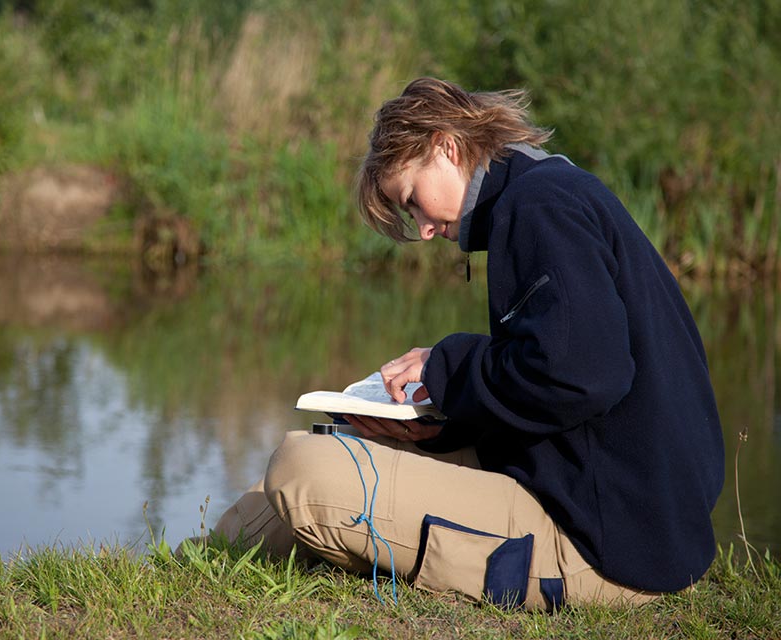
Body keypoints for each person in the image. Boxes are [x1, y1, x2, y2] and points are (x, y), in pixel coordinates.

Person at [209, 77, 724, 611]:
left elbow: (583, 374)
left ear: (445, 146)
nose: (424, 230)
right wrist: (440, 424)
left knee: (303, 470)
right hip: (618, 507)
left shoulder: (539, 207)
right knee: (335, 446)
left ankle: (211, 556)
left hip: (605, 543)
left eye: (412, 200)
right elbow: (562, 382)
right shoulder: (549, 191)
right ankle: (206, 556)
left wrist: (448, 365)